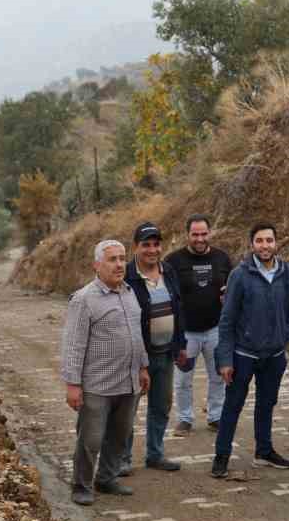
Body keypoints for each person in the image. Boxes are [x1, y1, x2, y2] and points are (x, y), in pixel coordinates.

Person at [60, 240, 151, 506]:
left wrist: (143, 367)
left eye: (122, 258)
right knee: (91, 439)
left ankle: (107, 478)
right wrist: (72, 384)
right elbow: (74, 345)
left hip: (128, 381)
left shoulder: (129, 292)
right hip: (97, 384)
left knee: (120, 434)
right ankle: (81, 485)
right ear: (96, 265)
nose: (120, 264)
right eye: (112, 259)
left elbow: (137, 335)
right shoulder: (83, 299)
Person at [211, 224, 289, 478]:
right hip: (243, 354)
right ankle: (222, 456)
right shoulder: (240, 275)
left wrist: (285, 334)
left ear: (276, 243)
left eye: (269, 240)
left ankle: (264, 451)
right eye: (259, 241)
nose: (265, 245)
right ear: (252, 244)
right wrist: (225, 360)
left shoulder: (288, 273)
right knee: (233, 405)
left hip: (274, 355)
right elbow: (227, 320)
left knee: (266, 404)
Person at [123, 222, 187, 472]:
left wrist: (180, 345)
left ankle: (155, 454)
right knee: (128, 411)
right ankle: (122, 459)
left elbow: (178, 308)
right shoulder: (127, 275)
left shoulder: (169, 271)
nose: (152, 249)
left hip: (166, 353)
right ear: (136, 247)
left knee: (161, 406)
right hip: (138, 357)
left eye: (155, 244)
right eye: (146, 245)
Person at [164, 215, 232, 433]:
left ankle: (216, 416)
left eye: (204, 234)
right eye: (195, 234)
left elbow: (233, 289)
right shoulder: (173, 261)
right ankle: (185, 418)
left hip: (215, 329)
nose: (200, 238)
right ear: (188, 235)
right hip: (186, 334)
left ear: (209, 233)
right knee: (183, 379)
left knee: (218, 376)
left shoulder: (222, 258)